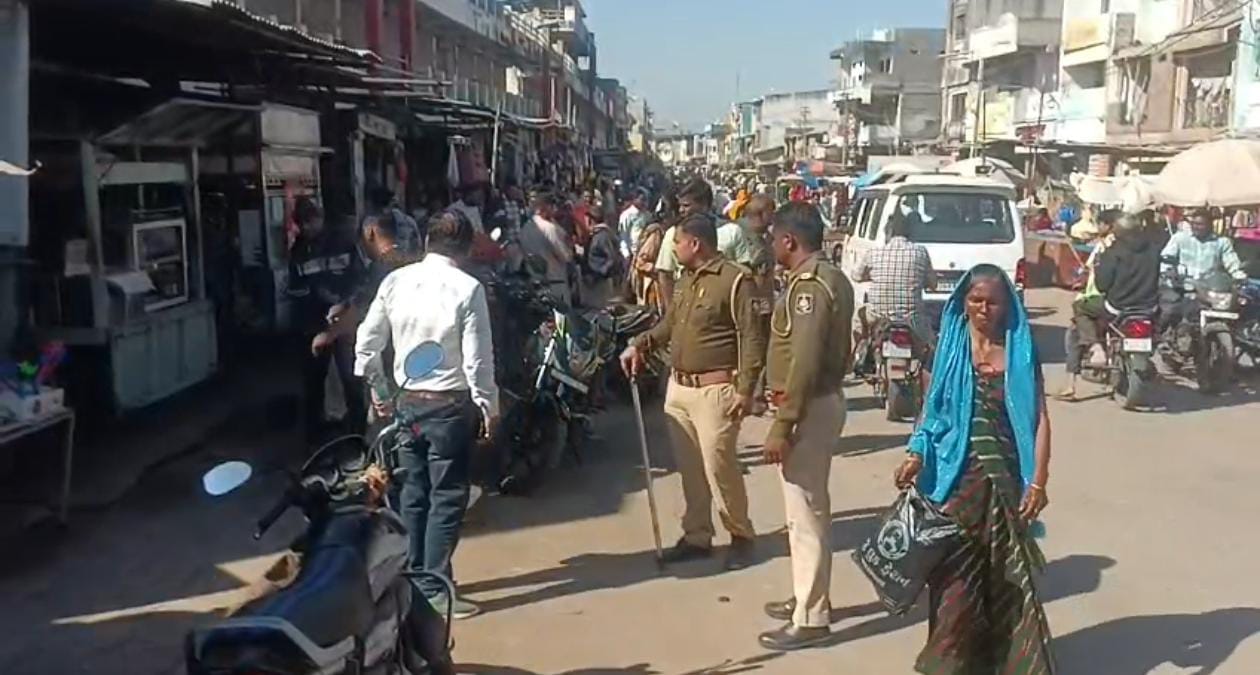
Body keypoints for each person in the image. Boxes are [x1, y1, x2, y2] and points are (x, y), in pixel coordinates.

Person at [892, 264, 1054, 674]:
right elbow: (930, 412)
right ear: (963, 301)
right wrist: (915, 454)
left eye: (993, 302)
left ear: (1007, 305)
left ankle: (1010, 663)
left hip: (1003, 487)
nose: (983, 309)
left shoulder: (1020, 352)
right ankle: (948, 664)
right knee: (954, 584)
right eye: (976, 300)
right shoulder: (946, 349)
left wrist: (1038, 481)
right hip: (953, 486)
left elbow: (1038, 418)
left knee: (1006, 579)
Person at [354, 209, 498, 621]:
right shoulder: (468, 288)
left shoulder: (396, 281)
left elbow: (366, 344)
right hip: (449, 407)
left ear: (427, 242)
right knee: (447, 498)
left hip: (406, 405)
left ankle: (411, 579)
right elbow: (477, 361)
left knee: (412, 494)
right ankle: (432, 589)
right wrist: (490, 407)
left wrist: (380, 392)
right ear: (465, 248)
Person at [620, 212, 768, 571]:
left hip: (715, 390)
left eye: (677, 242)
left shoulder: (735, 280)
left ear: (695, 243)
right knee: (690, 469)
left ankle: (741, 535)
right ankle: (697, 535)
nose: (673, 248)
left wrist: (746, 389)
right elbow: (670, 324)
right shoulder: (686, 279)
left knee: (720, 468)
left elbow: (752, 336)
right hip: (680, 388)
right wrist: (640, 344)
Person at [757, 202, 855, 651]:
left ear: (789, 240)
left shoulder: (810, 287)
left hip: (808, 408)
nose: (770, 246)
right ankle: (806, 596)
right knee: (804, 512)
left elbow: (806, 358)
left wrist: (783, 423)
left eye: (773, 238)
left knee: (806, 515)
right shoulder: (828, 277)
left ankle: (812, 617)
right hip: (817, 403)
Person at [290, 197, 366, 442]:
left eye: (309, 221)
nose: (306, 227)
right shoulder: (298, 249)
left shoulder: (343, 242)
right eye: (301, 223)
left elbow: (360, 280)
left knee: (351, 378)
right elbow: (296, 288)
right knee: (313, 380)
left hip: (344, 321)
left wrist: (344, 303)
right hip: (313, 323)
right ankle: (315, 434)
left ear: (320, 219)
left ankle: (358, 432)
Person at [1058, 211, 1151, 400]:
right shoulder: (1153, 249)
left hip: (1116, 306)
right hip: (1147, 308)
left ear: (1117, 230)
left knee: (1081, 308)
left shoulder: (1113, 251)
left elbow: (1102, 285)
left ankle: (1094, 348)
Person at [856, 210, 938, 351]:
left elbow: (856, 276)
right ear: (910, 232)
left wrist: (872, 276)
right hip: (912, 319)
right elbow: (933, 284)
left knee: (858, 319)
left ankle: (856, 355)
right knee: (931, 346)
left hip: (877, 316)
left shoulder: (874, 253)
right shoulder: (920, 252)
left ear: (888, 232)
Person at [519, 191, 576, 309]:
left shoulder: (525, 227)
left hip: (534, 280)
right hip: (555, 280)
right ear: (546, 207)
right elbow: (565, 255)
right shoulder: (549, 228)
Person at [1161, 209, 1247, 281]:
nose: (1196, 227)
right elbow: (1166, 258)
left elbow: (1232, 264)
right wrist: (1168, 271)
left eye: (1200, 224)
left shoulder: (1221, 242)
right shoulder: (1179, 238)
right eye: (1193, 224)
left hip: (1210, 286)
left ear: (1210, 225)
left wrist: (1240, 278)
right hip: (1182, 284)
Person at [582, 202, 626, 309]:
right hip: (593, 281)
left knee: (599, 310)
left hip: (600, 283)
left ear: (591, 220)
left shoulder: (602, 236)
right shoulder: (595, 235)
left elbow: (612, 258)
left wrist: (598, 274)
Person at [619, 188, 649, 256]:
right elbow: (623, 235)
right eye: (642, 199)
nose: (644, 202)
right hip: (631, 252)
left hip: (644, 251)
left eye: (645, 200)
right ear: (635, 199)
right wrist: (626, 253)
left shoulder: (647, 215)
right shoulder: (627, 215)